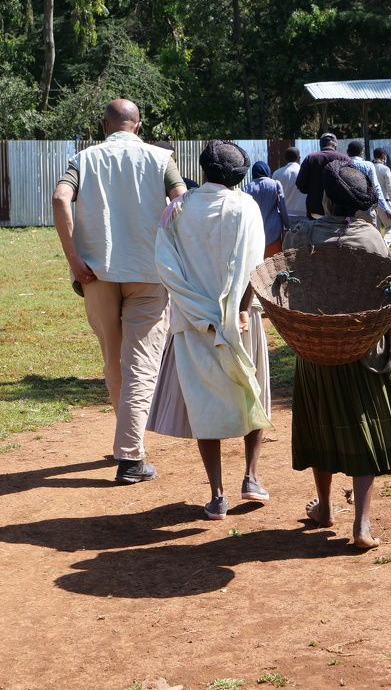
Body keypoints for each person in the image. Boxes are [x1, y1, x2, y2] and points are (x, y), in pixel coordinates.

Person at [283, 159, 391, 549]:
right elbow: (386, 291)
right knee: (362, 434)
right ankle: (361, 526)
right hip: (362, 351)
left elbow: (287, 274)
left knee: (320, 427)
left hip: (316, 350)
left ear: (327, 199)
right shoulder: (371, 239)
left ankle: (326, 507)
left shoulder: (302, 235)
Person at [51, 99, 186, 484]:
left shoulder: (85, 157)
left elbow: (61, 198)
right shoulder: (161, 158)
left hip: (97, 274)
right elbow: (180, 200)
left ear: (104, 126)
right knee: (142, 362)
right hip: (149, 272)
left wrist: (74, 258)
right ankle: (129, 454)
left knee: (114, 358)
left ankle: (129, 441)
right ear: (138, 126)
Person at [150, 140, 273, 520]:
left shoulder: (179, 209)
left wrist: (200, 311)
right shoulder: (246, 207)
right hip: (240, 319)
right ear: (240, 175)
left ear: (203, 169)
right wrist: (236, 310)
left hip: (192, 321)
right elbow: (256, 264)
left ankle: (217, 495)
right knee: (252, 394)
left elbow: (166, 268)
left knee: (203, 405)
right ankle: (251, 478)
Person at [243, 160, 291, 258]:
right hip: (274, 233)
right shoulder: (275, 184)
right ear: (267, 171)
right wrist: (287, 226)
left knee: (257, 266)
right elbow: (282, 208)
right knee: (274, 265)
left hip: (254, 233)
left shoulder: (246, 188)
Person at [295, 132, 348, 219]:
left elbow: (300, 184)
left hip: (315, 209)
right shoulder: (344, 159)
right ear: (335, 146)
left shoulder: (310, 158)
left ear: (321, 145)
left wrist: (314, 192)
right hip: (339, 210)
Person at [344, 141, 391, 228]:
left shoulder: (343, 165)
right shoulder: (368, 166)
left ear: (347, 152)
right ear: (362, 153)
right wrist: (386, 209)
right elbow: (376, 188)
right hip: (367, 209)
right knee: (372, 237)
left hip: (350, 212)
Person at [272, 146, 306, 228]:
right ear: (299, 158)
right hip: (303, 214)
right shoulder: (305, 172)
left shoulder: (277, 173)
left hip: (283, 215)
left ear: (285, 159)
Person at [372, 148, 391, 248]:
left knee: (376, 230)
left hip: (371, 204)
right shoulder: (385, 169)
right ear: (383, 156)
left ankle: (377, 251)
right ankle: (384, 245)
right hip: (385, 203)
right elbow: (390, 188)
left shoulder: (369, 167)